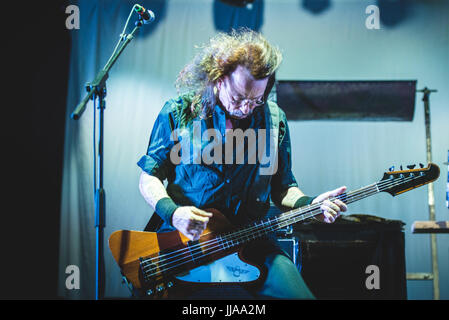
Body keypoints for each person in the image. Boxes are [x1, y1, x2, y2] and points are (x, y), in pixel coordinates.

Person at [137, 29, 347, 299]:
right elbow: (148, 178)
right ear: (218, 78)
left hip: (251, 240)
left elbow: (283, 189)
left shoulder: (274, 120)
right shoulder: (178, 112)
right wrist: (174, 213)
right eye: (238, 98)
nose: (247, 108)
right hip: (186, 244)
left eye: (257, 99)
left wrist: (311, 204)